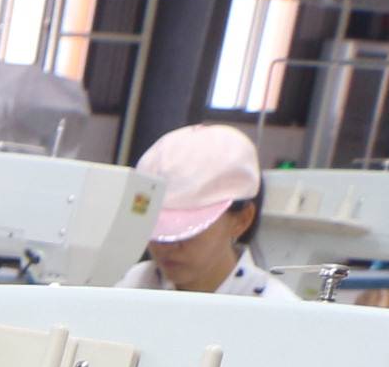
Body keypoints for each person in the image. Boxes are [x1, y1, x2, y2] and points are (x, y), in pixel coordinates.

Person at [118, 122, 298, 298]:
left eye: (186, 231)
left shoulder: (278, 311)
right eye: (158, 229)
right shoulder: (131, 285)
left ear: (242, 219)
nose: (168, 246)